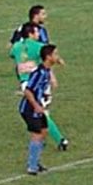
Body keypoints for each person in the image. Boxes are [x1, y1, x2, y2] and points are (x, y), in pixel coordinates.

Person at [10, 23, 69, 151]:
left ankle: (41, 137)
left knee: (36, 112)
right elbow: (48, 60)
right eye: (36, 32)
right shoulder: (39, 47)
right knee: (42, 112)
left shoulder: (16, 47)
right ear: (31, 34)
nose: (38, 35)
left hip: (24, 83)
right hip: (37, 83)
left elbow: (13, 55)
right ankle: (59, 139)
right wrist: (54, 74)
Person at [19, 44, 65, 175]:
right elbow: (27, 91)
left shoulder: (46, 70)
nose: (57, 56)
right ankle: (32, 166)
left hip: (37, 107)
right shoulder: (38, 72)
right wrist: (36, 105)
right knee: (37, 134)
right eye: (55, 54)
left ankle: (35, 161)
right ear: (48, 57)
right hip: (29, 108)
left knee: (44, 131)